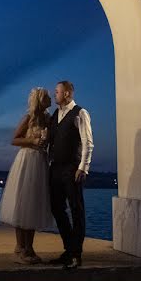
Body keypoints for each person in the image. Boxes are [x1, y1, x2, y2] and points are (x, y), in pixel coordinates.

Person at [0, 87, 55, 264]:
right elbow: (15, 139)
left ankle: (27, 247)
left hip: (41, 162)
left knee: (34, 205)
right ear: (40, 100)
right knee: (23, 203)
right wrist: (33, 141)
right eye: (47, 97)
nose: (50, 99)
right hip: (27, 161)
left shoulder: (48, 119)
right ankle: (23, 248)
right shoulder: (29, 118)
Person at [47, 80, 93, 269]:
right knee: (57, 208)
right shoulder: (55, 114)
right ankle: (68, 249)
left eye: (57, 91)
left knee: (76, 210)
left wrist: (83, 167)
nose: (54, 95)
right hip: (55, 169)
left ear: (67, 94)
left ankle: (76, 254)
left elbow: (88, 142)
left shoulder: (80, 113)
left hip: (72, 168)